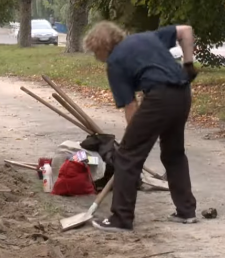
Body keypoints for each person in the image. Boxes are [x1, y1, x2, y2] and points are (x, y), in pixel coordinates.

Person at [83, 21, 199, 233]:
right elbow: (186, 31)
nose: (95, 57)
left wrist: (132, 139)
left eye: (94, 52)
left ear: (100, 47)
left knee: (127, 155)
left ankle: (121, 218)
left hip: (159, 97)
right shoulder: (147, 36)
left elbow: (130, 105)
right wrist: (188, 64)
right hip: (182, 93)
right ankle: (186, 211)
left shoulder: (115, 62)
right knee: (174, 153)